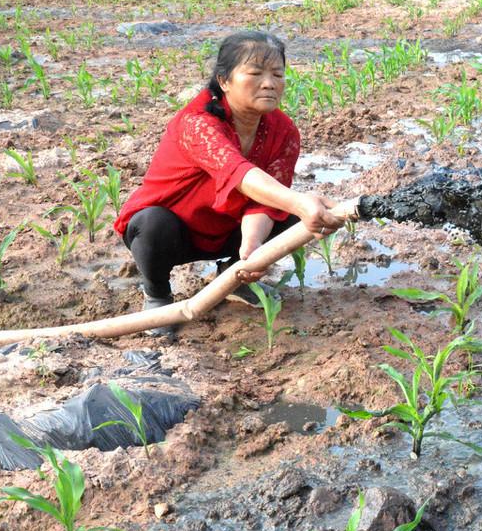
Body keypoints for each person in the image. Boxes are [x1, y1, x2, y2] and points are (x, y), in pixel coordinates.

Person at [114, 31, 345, 334]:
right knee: (151, 222)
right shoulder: (197, 122)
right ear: (224, 81)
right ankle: (157, 295)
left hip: (227, 228)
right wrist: (301, 201)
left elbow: (264, 199)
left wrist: (251, 250)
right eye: (255, 73)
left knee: (287, 210)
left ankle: (232, 275)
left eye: (278, 74)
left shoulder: (283, 131)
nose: (269, 83)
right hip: (174, 233)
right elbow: (239, 174)